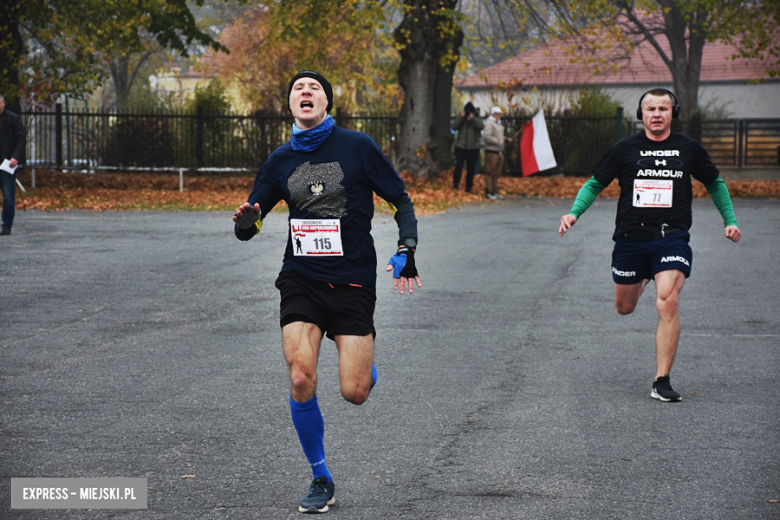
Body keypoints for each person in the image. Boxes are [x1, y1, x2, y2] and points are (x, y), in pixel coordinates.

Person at [232, 70, 421, 514]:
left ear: (326, 102)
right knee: (300, 377)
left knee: (354, 392)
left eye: (313, 87)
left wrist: (407, 246)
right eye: (297, 87)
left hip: (353, 280)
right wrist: (246, 220)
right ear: (291, 104)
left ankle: (366, 368)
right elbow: (252, 221)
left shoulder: (357, 147)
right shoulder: (280, 160)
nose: (305, 91)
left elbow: (401, 199)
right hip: (301, 278)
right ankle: (321, 476)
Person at [558, 88, 741, 402]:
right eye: (651, 108)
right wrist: (574, 213)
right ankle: (644, 275)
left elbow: (715, 182)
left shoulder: (688, 148)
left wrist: (730, 219)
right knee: (624, 308)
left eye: (664, 108)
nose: (657, 114)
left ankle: (661, 381)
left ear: (673, 113)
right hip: (631, 238)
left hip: (672, 236)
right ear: (641, 114)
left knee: (667, 300)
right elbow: (595, 183)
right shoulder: (624, 149)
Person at [0, 94, 26, 235]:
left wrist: (15, 157)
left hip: (7, 164)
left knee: (8, 197)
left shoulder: (13, 119)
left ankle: (6, 225)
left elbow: (20, 138)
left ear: (3, 104)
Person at [451, 102, 484, 193]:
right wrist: (461, 117)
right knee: (458, 166)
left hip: (473, 148)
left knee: (471, 169)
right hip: (461, 147)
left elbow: (481, 126)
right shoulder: (462, 118)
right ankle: (455, 184)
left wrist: (472, 118)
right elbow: (454, 126)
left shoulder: (477, 117)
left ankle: (468, 187)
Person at [482, 106, 512, 200]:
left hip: (499, 151)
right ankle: (489, 192)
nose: (498, 115)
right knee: (490, 172)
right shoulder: (490, 124)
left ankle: (495, 191)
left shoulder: (498, 124)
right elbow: (487, 136)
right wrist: (497, 141)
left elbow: (499, 137)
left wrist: (505, 139)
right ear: (493, 114)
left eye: (499, 114)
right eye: (496, 114)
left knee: (496, 173)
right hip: (492, 151)